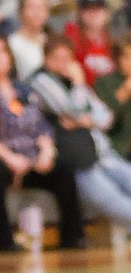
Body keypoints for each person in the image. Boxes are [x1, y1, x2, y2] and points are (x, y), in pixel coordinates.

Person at [0, 34, 83, 252]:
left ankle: (73, 238)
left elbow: (42, 126)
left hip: (25, 156)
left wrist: (46, 152)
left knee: (63, 170)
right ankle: (3, 241)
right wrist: (9, 157)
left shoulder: (24, 90)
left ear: (10, 57)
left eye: (1, 51)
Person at [29, 37, 131, 236]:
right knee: (112, 200)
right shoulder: (41, 81)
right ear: (46, 60)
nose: (63, 64)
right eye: (57, 58)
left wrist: (82, 118)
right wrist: (78, 86)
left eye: (67, 58)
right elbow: (71, 109)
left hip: (101, 152)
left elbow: (105, 118)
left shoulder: (73, 83)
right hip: (78, 158)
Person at [8, 0, 51, 81]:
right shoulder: (12, 43)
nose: (37, 13)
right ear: (20, 12)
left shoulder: (52, 41)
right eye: (31, 7)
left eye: (41, 8)